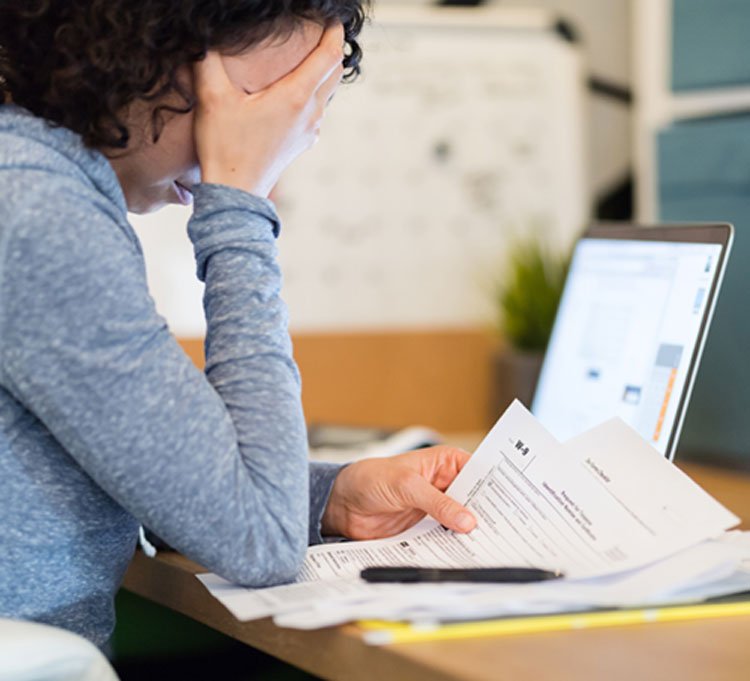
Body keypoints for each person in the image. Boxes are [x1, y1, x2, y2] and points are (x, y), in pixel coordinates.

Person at [0, 0, 478, 647]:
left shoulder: (34, 176)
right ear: (153, 48)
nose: (287, 142)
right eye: (260, 104)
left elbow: (156, 468)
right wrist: (240, 201)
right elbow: (261, 540)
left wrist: (328, 495)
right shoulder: (35, 209)